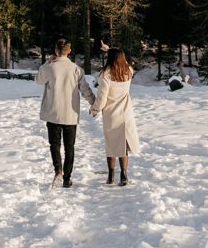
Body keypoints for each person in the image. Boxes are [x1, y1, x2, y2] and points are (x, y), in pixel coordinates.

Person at [35, 38, 96, 188]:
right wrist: (95, 104)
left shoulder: (50, 67)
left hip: (53, 112)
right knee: (70, 146)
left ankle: (58, 170)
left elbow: (38, 80)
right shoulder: (76, 69)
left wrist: (46, 63)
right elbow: (85, 90)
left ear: (56, 51)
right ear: (69, 51)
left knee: (54, 144)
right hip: (70, 113)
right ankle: (67, 178)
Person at [90, 47, 141, 186]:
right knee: (123, 145)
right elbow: (126, 62)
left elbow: (102, 97)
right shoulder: (128, 71)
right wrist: (111, 49)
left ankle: (111, 175)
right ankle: (124, 175)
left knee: (111, 144)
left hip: (111, 113)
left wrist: (95, 109)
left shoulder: (105, 75)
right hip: (126, 112)